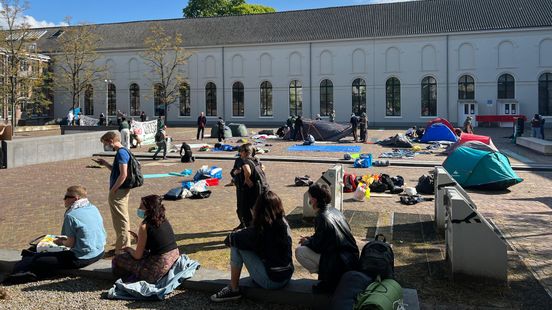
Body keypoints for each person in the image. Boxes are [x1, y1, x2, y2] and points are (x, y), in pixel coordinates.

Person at [7, 185, 106, 283]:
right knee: (35, 251)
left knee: (37, 258)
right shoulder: (93, 208)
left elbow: (69, 244)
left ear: (75, 199)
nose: (64, 199)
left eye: (66, 197)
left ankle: (20, 276)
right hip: (99, 251)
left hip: (82, 257)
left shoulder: (71, 216)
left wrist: (57, 242)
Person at [211, 191, 294, 302]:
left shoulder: (259, 230)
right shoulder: (284, 223)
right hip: (287, 275)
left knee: (237, 246)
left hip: (272, 281)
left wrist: (244, 231)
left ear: (258, 210)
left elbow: (230, 240)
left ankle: (233, 289)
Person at [295, 183, 359, 293]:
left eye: (310, 197)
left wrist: (307, 242)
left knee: (300, 251)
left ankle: (329, 277)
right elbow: (329, 236)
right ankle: (331, 276)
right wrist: (310, 239)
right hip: (351, 258)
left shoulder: (321, 217)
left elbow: (318, 246)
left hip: (340, 263)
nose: (309, 200)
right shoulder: (335, 211)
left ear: (314, 200)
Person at [112, 195, 180, 284]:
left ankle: (126, 279)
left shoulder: (144, 226)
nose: (139, 209)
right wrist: (138, 239)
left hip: (158, 268)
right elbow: (157, 243)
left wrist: (129, 249)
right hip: (174, 258)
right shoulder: (163, 219)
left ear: (149, 209)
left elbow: (137, 256)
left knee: (118, 259)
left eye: (141, 207)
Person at [94, 132, 134, 255]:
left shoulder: (121, 153)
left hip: (119, 191)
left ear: (111, 140)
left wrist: (114, 189)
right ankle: (122, 245)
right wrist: (105, 164)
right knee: (120, 218)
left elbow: (123, 174)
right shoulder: (122, 151)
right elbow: (117, 171)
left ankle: (122, 248)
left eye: (105, 142)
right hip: (120, 190)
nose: (105, 145)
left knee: (121, 219)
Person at [230, 143, 261, 228]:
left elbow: (246, 171)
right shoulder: (256, 160)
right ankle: (251, 224)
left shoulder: (241, 160)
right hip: (255, 188)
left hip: (243, 188)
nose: (239, 153)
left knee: (243, 209)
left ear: (245, 152)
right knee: (253, 207)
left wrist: (246, 178)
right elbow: (262, 168)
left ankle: (246, 226)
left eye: (241, 151)